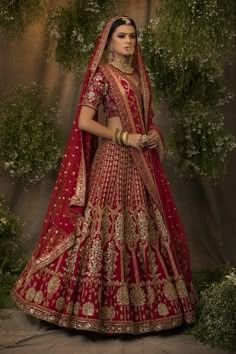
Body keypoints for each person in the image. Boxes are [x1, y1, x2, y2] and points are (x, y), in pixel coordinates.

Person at [12, 15, 198, 335]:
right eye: (122, 36)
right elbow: (85, 121)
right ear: (109, 40)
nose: (129, 41)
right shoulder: (102, 76)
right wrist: (126, 138)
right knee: (101, 230)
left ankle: (142, 309)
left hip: (139, 161)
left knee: (140, 228)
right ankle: (87, 310)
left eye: (133, 36)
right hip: (113, 159)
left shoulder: (139, 76)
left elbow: (146, 118)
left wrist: (152, 133)